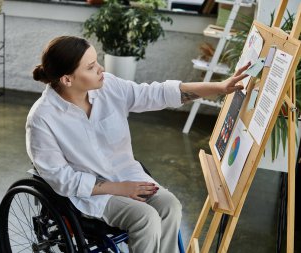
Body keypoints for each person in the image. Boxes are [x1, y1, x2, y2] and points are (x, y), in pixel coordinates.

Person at [27, 36, 250, 253]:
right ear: (67, 79)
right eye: (92, 66)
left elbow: (157, 93)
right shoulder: (42, 118)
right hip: (89, 194)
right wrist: (118, 188)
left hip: (128, 175)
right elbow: (60, 178)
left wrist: (219, 87)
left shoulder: (109, 87)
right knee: (146, 218)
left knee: (170, 205)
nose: (101, 69)